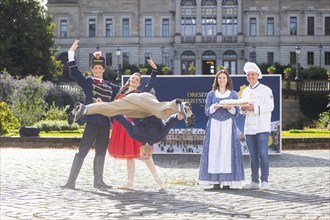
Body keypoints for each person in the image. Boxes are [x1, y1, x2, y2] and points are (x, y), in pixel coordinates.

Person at [61, 40, 120, 190]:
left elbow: (123, 92)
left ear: (103, 70)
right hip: (92, 121)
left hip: (105, 123)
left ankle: (98, 181)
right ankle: (71, 181)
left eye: (100, 68)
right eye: (95, 68)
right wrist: (71, 52)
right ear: (93, 69)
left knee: (101, 152)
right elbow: (75, 72)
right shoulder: (88, 82)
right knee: (83, 151)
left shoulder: (109, 86)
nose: (98, 70)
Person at [108, 60, 165, 190]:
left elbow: (150, 84)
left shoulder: (140, 93)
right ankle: (130, 183)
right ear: (129, 79)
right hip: (121, 124)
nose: (134, 80)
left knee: (144, 154)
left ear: (139, 83)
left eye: (137, 79)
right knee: (129, 155)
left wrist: (154, 70)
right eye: (133, 78)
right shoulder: (121, 92)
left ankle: (158, 181)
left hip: (134, 125)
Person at [199, 70, 245, 190]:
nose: (222, 80)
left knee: (227, 151)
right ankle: (215, 180)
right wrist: (215, 106)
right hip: (214, 126)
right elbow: (207, 111)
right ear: (217, 80)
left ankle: (227, 181)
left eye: (224, 78)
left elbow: (237, 113)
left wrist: (230, 108)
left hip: (228, 126)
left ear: (227, 79)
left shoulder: (233, 94)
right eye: (220, 78)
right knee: (214, 150)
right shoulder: (211, 95)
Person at [240, 62, 274, 190]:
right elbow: (241, 110)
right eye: (248, 75)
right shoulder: (245, 91)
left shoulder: (266, 90)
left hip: (262, 127)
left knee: (263, 154)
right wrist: (243, 109)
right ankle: (254, 181)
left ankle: (264, 181)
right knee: (253, 156)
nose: (250, 76)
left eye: (252, 74)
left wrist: (253, 108)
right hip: (249, 128)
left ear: (258, 75)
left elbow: (270, 107)